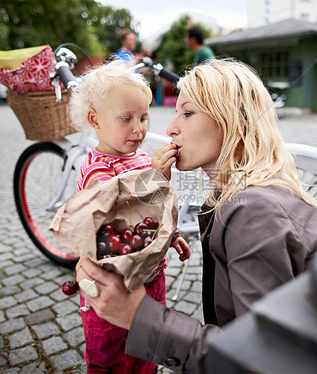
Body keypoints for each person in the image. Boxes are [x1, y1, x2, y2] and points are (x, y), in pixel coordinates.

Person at [75, 59, 317, 372]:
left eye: (187, 112)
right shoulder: (243, 193)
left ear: (229, 120)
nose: (170, 128)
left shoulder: (253, 211)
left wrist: (138, 316)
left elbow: (262, 357)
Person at [68, 60, 191, 373]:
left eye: (144, 117)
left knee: (149, 348)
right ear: (94, 119)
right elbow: (120, 215)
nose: (139, 128)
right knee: (109, 353)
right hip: (113, 284)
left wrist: (171, 235)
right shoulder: (98, 169)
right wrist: (156, 176)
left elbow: (151, 218)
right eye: (127, 118)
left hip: (151, 276)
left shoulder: (139, 159)